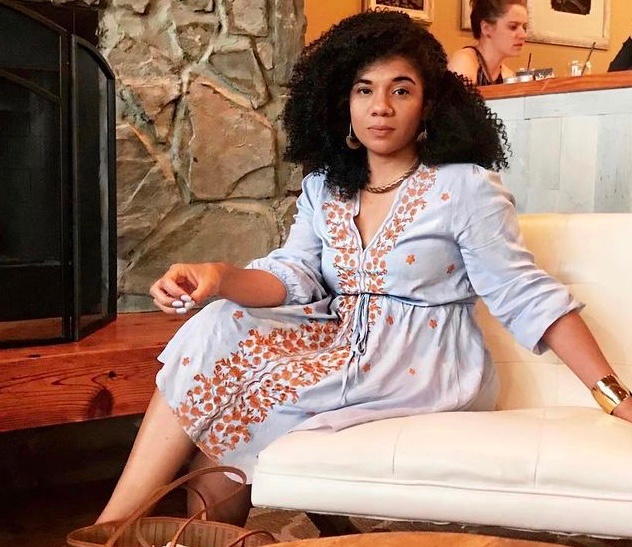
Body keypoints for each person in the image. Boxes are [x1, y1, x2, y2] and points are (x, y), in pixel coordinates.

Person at [96, 9, 632, 527]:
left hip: (421, 365)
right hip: (338, 343)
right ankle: (115, 527)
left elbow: (523, 293)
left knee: (230, 419)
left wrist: (613, 396)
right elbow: (293, 275)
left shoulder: (465, 187)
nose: (380, 107)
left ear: (428, 104)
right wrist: (219, 277)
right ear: (342, 102)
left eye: (401, 90)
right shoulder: (324, 187)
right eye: (364, 89)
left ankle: (112, 532)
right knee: (217, 329)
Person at [448, 0, 528, 85]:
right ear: (486, 28)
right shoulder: (463, 64)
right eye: (513, 27)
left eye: (524, 27)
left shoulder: (508, 75)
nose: (523, 35)